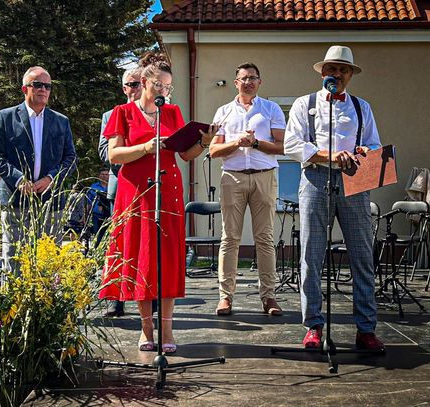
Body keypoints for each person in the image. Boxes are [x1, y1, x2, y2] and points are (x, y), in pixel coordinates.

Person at [99, 52, 217, 353]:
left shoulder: (174, 113)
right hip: (135, 191)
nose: (164, 91)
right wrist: (145, 148)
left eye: (168, 86)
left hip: (168, 189)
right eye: (159, 85)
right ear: (145, 82)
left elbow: (186, 155)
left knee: (166, 259)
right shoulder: (122, 113)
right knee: (142, 257)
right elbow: (114, 155)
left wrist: (204, 142)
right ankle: (146, 330)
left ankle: (167, 330)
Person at [284, 45, 385, 351]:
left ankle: (365, 329)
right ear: (323, 72)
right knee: (311, 256)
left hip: (354, 181)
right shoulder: (306, 104)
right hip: (316, 179)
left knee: (362, 256)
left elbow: (373, 144)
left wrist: (365, 151)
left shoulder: (361, 106)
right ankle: (314, 325)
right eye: (332, 69)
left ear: (350, 75)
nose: (336, 74)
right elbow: (291, 144)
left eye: (343, 70)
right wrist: (328, 154)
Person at [210, 62, 285, 317]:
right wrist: (236, 143)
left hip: (264, 176)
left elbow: (282, 146)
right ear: (236, 83)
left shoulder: (271, 109)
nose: (248, 82)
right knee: (230, 239)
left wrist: (255, 143)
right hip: (233, 177)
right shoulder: (223, 112)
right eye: (244, 78)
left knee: (265, 239)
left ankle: (269, 297)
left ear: (260, 82)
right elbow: (213, 150)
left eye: (253, 78)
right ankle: (225, 297)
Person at [0, 66, 77, 274]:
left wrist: (51, 178)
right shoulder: (6, 117)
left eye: (47, 86)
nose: (43, 89)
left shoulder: (61, 121)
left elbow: (71, 159)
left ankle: (46, 306)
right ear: (24, 88)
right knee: (14, 259)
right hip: (15, 201)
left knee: (48, 261)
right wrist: (19, 180)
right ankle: (12, 305)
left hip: (50, 203)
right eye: (37, 84)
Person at [98, 67, 143, 317]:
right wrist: (132, 156)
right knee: (119, 245)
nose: (134, 88)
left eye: (138, 83)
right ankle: (117, 298)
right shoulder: (111, 115)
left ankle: (149, 295)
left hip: (148, 187)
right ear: (124, 88)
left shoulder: (153, 114)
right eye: (130, 84)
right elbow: (104, 152)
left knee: (145, 244)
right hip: (122, 187)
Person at [87, 167, 110, 237]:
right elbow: (89, 202)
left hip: (109, 215)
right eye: (102, 174)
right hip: (96, 215)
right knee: (97, 235)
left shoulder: (113, 186)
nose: (104, 176)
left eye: (106, 174)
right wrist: (86, 216)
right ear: (99, 176)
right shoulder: (93, 186)